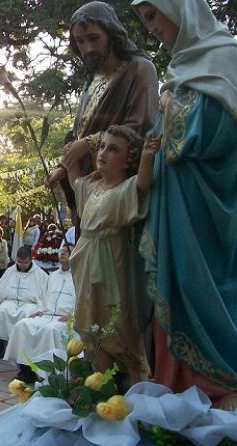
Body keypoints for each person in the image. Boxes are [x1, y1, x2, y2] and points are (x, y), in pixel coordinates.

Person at [132, 0, 237, 407]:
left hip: (208, 205)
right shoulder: (180, 68)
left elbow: (220, 128)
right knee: (175, 285)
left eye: (154, 15)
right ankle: (177, 384)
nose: (152, 27)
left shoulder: (225, 56)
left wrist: (173, 109)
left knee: (205, 287)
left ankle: (222, 383)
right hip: (175, 203)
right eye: (145, 20)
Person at [45, 1, 159, 230]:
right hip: (88, 188)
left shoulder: (140, 69)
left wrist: (89, 144)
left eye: (93, 38)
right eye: (80, 41)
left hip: (119, 191)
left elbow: (141, 125)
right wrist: (63, 167)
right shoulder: (92, 79)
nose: (87, 48)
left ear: (111, 33)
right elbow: (80, 131)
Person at [64, 125, 157, 384]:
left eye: (113, 149)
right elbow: (74, 183)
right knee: (93, 326)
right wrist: (69, 159)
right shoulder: (94, 187)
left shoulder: (124, 188)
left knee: (118, 322)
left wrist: (148, 157)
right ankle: (98, 387)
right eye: (102, 146)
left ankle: (140, 380)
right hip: (87, 260)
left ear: (129, 160)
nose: (103, 153)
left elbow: (143, 184)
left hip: (112, 263)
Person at [4, 247, 77, 383]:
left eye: (67, 251)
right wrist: (40, 310)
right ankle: (26, 371)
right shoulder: (53, 276)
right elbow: (43, 297)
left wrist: (73, 315)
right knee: (23, 325)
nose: (62, 252)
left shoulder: (79, 277)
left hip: (65, 318)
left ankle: (50, 374)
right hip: (47, 315)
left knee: (51, 330)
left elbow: (85, 302)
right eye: (61, 250)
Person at [0, 246, 49, 358]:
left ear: (31, 260)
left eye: (25, 263)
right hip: (10, 301)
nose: (22, 265)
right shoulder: (10, 271)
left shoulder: (40, 275)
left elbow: (45, 295)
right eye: (19, 262)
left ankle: (22, 347)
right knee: (1, 311)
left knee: (26, 315)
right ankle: (0, 346)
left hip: (29, 304)